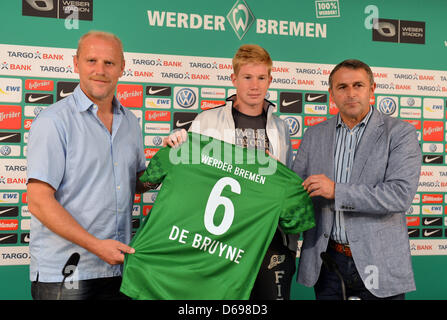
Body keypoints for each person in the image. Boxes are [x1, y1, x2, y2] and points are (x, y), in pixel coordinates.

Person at [165, 44, 297, 300]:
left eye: (261, 78)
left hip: (267, 238)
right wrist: (175, 150)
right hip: (221, 239)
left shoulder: (281, 128)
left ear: (270, 80)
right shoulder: (207, 120)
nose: (255, 85)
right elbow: (190, 180)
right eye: (247, 77)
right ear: (234, 78)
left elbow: (285, 184)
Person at [26, 31, 147, 300]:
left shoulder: (130, 122)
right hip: (67, 273)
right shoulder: (53, 122)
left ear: (122, 68)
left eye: (109, 63)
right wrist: (96, 246)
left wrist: (172, 162)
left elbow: (138, 183)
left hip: (117, 269)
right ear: (76, 63)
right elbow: (38, 201)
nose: (100, 71)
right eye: (91, 60)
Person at [292, 59, 421, 300]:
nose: (350, 94)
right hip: (328, 263)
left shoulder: (400, 133)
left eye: (358, 85)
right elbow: (295, 190)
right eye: (342, 87)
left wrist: (336, 191)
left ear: (372, 89)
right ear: (331, 93)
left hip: (380, 262)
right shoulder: (314, 135)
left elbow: (399, 195)